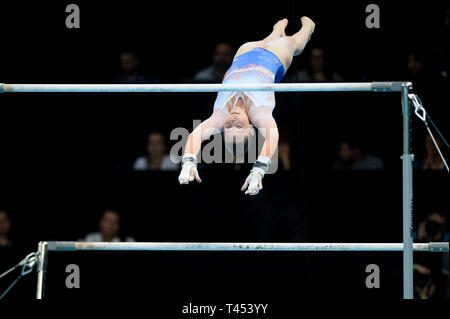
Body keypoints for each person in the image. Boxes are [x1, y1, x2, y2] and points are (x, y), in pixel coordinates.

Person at [178, 17, 315, 195]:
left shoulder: (219, 116)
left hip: (244, 54)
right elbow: (272, 136)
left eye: (228, 126)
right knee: (292, 42)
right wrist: (259, 169)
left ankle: (275, 31)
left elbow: (195, 135)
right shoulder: (260, 114)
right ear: (251, 129)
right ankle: (308, 29)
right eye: (239, 126)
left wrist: (189, 160)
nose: (232, 119)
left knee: (267, 40)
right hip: (275, 58)